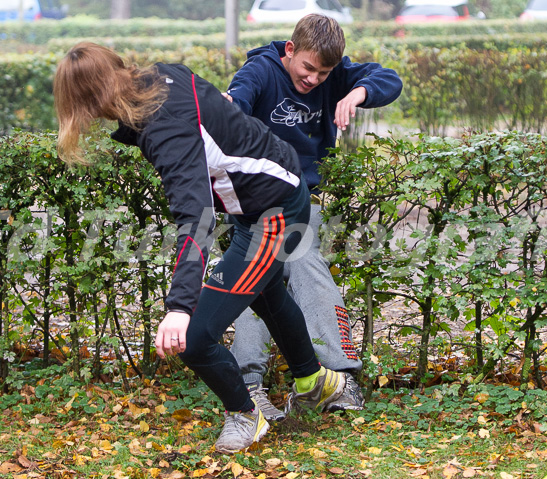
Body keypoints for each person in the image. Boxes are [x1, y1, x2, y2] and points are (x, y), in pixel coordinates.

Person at [52, 42, 347, 454]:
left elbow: (197, 218)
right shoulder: (160, 75)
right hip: (264, 198)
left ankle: (246, 415)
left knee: (193, 336)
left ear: (86, 101)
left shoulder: (164, 128)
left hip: (275, 211)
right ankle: (317, 381)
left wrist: (178, 308)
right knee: (266, 293)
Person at [225, 14, 403, 419]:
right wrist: (228, 107)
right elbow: (236, 104)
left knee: (277, 268)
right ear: (290, 50)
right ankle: (302, 381)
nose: (314, 79)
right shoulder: (261, 71)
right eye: (308, 68)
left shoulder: (334, 75)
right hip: (258, 202)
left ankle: (294, 381)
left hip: (305, 199)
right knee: (276, 267)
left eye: (324, 73)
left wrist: (356, 93)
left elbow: (388, 79)